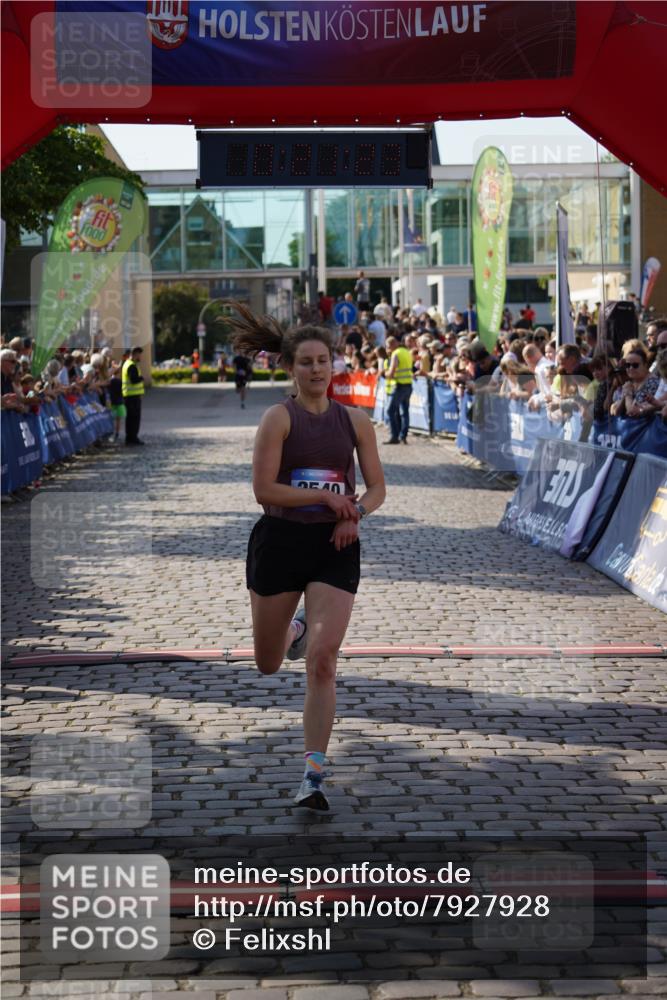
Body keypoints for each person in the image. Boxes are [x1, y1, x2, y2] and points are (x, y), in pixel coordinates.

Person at [225, 303, 385, 811]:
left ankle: (313, 775)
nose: (317, 369)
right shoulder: (279, 419)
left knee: (323, 661)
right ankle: (290, 631)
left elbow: (377, 487)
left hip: (335, 546)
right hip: (280, 542)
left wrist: (352, 511)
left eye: (324, 361)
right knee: (269, 663)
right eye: (306, 362)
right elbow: (262, 488)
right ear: (291, 369)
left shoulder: (355, 420)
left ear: (335, 364)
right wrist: (326, 498)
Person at [383, 335, 413, 444]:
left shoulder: (396, 354)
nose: (388, 349)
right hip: (408, 385)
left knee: (390, 411)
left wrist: (385, 374)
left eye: (388, 347)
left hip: (400, 386)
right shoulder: (406, 352)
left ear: (392, 345)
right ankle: (403, 436)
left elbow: (391, 373)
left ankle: (394, 436)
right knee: (404, 412)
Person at [121, 346, 145, 446]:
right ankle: (132, 438)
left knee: (131, 418)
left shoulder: (128, 364)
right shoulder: (131, 365)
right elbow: (133, 380)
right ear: (133, 354)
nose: (140, 356)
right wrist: (141, 378)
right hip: (132, 396)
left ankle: (130, 438)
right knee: (134, 418)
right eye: (138, 354)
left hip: (130, 396)